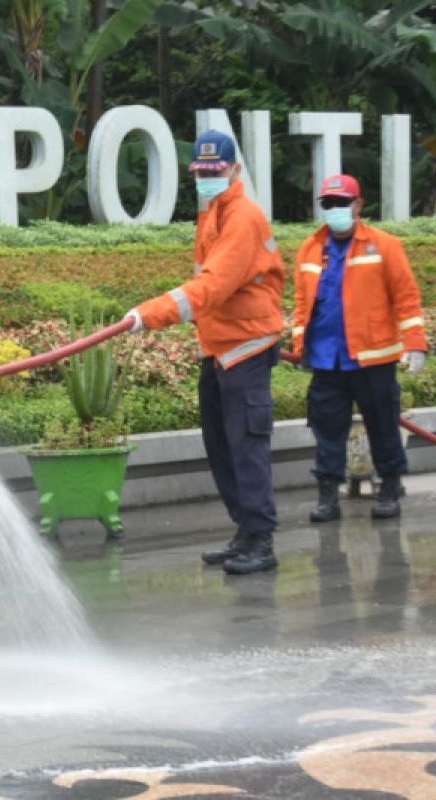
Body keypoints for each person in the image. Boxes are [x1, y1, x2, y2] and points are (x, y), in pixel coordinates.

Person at [123, 130, 285, 575]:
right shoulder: (212, 214)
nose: (208, 178)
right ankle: (244, 531)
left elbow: (211, 286)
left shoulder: (243, 218)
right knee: (221, 445)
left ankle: (261, 538)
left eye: (216, 171)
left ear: (234, 170)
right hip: (218, 346)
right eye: (202, 172)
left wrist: (148, 314)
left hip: (247, 346)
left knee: (247, 444)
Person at [292, 174, 427, 522]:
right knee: (327, 430)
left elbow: (406, 297)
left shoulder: (384, 245)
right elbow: (302, 301)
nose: (334, 210)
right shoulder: (310, 248)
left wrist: (415, 343)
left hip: (373, 357)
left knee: (382, 425)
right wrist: (298, 343)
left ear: (358, 205)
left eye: (341, 203)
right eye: (329, 204)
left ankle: (389, 488)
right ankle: (327, 497)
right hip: (326, 359)